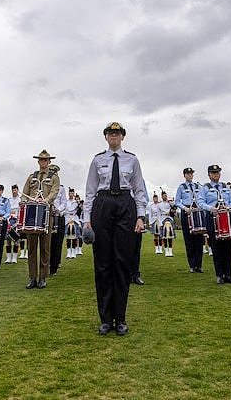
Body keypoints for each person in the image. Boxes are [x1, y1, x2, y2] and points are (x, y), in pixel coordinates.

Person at [84, 122, 148, 335]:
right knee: (102, 263)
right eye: (110, 133)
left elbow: (139, 189)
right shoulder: (97, 160)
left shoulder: (132, 159)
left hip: (125, 205)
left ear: (122, 137)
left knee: (122, 262)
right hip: (102, 205)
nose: (114, 136)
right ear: (105, 137)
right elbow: (90, 192)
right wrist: (87, 220)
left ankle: (120, 318)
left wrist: (140, 216)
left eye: (117, 133)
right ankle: (105, 319)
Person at [22, 150, 60, 289]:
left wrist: (45, 200)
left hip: (45, 212)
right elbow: (25, 193)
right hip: (32, 214)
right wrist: (24, 202)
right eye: (41, 160)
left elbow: (54, 192)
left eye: (46, 160)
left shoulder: (54, 177)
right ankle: (32, 277)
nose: (43, 162)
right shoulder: (32, 176)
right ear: (38, 162)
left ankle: (43, 277)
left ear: (49, 162)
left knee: (45, 247)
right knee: (31, 247)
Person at [198, 165, 231, 285]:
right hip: (212, 218)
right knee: (216, 247)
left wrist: (229, 207)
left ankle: (228, 275)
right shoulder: (205, 188)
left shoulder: (226, 187)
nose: (216, 174)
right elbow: (200, 202)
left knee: (228, 247)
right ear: (209, 175)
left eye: (217, 172)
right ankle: (219, 275)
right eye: (213, 173)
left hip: (226, 218)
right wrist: (211, 208)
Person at [174, 168, 203, 273]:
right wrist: (185, 208)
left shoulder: (197, 186)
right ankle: (192, 265)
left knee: (199, 239)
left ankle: (199, 265)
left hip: (197, 211)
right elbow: (177, 201)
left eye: (191, 174)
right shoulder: (181, 187)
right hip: (186, 211)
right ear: (184, 175)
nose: (190, 175)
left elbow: (201, 199)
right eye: (188, 174)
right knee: (189, 239)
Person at [49, 174, 67, 276]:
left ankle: (54, 266)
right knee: (47, 243)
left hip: (58, 217)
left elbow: (64, 203)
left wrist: (57, 209)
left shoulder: (61, 188)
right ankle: (46, 264)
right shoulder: (45, 187)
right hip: (48, 216)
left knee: (57, 243)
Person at [10, 184, 27, 260]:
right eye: (13, 190)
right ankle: (12, 256)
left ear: (17, 190)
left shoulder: (20, 200)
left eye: (15, 190)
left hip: (18, 220)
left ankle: (24, 253)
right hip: (10, 220)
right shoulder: (9, 200)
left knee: (21, 237)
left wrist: (19, 221)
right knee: (10, 239)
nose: (14, 191)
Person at [63, 188, 81, 259]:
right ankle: (68, 252)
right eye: (70, 193)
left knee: (74, 237)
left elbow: (79, 212)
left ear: (74, 194)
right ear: (68, 194)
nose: (71, 194)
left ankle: (73, 252)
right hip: (67, 219)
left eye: (72, 193)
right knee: (68, 237)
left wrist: (79, 204)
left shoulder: (76, 202)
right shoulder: (66, 202)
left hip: (74, 219)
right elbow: (64, 210)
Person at [158, 190, 175, 257]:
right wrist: (160, 223)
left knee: (170, 236)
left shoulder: (169, 203)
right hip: (163, 219)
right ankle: (166, 251)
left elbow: (174, 207)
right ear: (162, 196)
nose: (165, 196)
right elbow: (158, 214)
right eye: (164, 195)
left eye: (166, 195)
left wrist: (171, 203)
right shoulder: (159, 204)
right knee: (164, 236)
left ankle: (170, 251)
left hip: (169, 219)